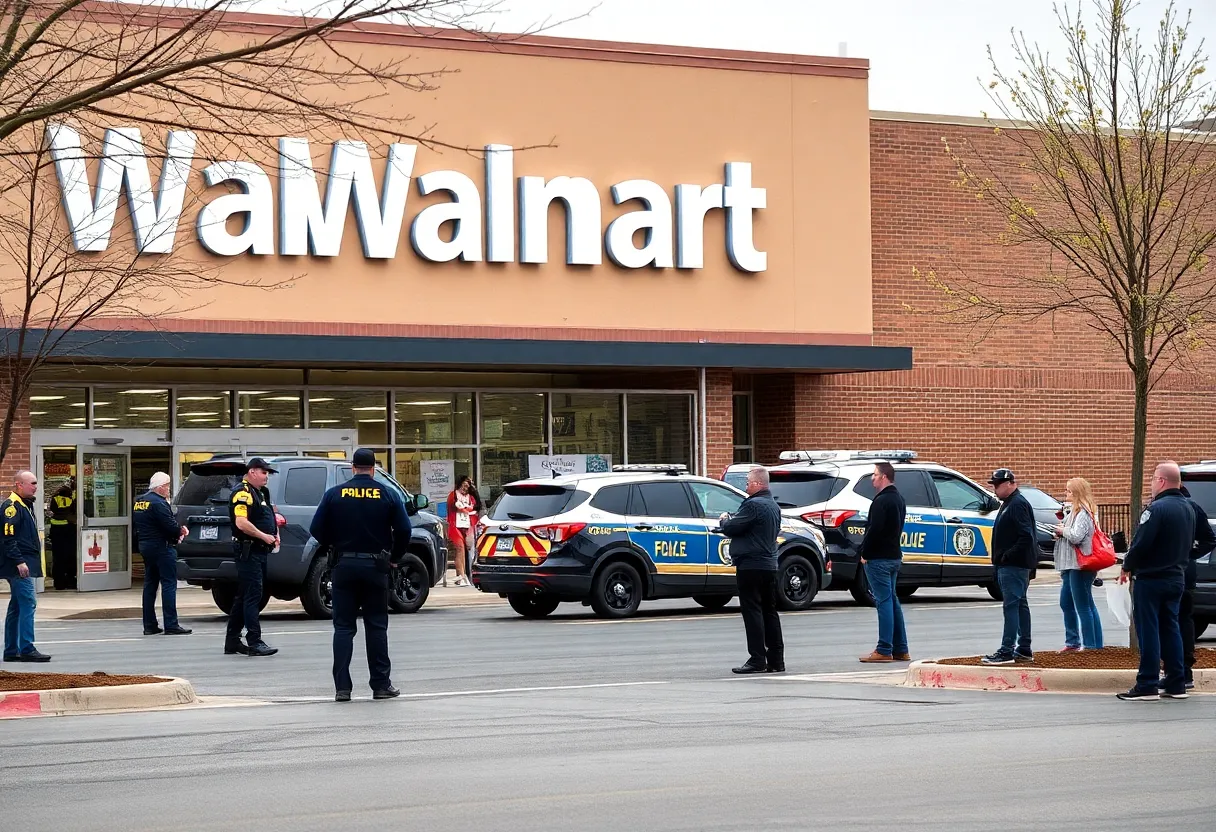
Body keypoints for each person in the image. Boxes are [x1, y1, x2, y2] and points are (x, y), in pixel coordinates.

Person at [310, 448, 412, 702]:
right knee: (376, 626)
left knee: (343, 628)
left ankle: (342, 688)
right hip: (376, 567)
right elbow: (404, 530)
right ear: (374, 469)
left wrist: (334, 545)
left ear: (353, 468)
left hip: (343, 566)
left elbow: (315, 528)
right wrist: (394, 557)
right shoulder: (387, 493)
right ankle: (380, 685)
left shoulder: (335, 494)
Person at [1116, 461, 1193, 700]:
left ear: (1161, 481)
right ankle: (1176, 681)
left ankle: (1147, 683)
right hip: (1176, 577)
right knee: (1171, 628)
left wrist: (1127, 565)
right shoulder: (1188, 508)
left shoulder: (1156, 509)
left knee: (1148, 629)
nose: (1150, 484)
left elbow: (1141, 543)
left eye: (1152, 479)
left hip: (1151, 579)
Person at [719, 465, 784, 674]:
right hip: (769, 565)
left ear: (757, 483)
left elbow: (731, 527)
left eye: (748, 482)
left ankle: (757, 658)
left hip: (751, 565)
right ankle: (776, 659)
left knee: (753, 611)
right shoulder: (773, 505)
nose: (746, 485)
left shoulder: (754, 505)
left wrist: (724, 519)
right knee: (769, 611)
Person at [224, 458, 280, 658]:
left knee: (244, 594)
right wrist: (264, 536)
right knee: (253, 595)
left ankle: (232, 641)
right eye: (264, 473)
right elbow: (241, 522)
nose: (267, 477)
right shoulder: (242, 492)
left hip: (260, 550)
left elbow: (268, 516)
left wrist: (275, 535)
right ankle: (254, 641)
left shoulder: (261, 492)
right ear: (253, 472)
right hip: (248, 550)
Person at [982, 468, 1037, 666]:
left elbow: (1026, 536)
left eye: (997, 485)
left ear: (1010, 483)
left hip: (1014, 566)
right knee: (1020, 605)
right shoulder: (1010, 503)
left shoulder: (1017, 504)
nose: (995, 489)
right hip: (1012, 565)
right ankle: (1024, 649)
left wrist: (1006, 556)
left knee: (1011, 606)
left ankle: (1007, 650)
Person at [857, 462, 911, 663]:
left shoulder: (881, 501)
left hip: (879, 558)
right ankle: (901, 648)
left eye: (875, 474)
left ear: (884, 477)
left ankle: (884, 649)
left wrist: (865, 553)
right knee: (892, 600)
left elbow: (874, 530)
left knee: (884, 602)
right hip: (894, 555)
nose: (872, 478)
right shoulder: (899, 499)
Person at [1, 471, 51, 662]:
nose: (35, 486)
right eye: (32, 483)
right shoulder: (12, 507)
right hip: (19, 566)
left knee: (16, 607)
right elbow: (8, 538)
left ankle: (12, 650)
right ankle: (27, 648)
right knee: (28, 603)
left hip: (23, 563)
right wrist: (19, 561)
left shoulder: (24, 505)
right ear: (19, 485)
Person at [134, 472, 191, 636]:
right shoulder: (159, 503)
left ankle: (149, 624)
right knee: (168, 584)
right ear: (159, 487)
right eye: (167, 486)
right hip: (162, 547)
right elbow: (170, 525)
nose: (168, 489)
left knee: (150, 585)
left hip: (146, 546)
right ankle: (171, 624)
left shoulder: (140, 501)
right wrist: (181, 530)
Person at [1051, 477, 1103, 651]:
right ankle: (1073, 642)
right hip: (1069, 564)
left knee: (1084, 606)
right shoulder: (1073, 511)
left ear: (1077, 493)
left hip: (1080, 565)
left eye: (1069, 491)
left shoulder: (1084, 513)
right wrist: (1060, 532)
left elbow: (1076, 536)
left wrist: (1062, 531)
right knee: (1067, 602)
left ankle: (1091, 646)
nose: (1066, 493)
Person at [1178, 486, 1216, 690]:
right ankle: (1185, 671)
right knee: (1184, 620)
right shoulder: (1194, 507)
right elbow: (1209, 539)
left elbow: (1210, 539)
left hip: (1175, 573)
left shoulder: (1166, 507)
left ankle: (1179, 671)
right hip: (1189, 573)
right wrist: (1191, 553)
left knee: (1174, 621)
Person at [446, 476, 478, 586]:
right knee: (460, 549)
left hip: (467, 526)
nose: (466, 488)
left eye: (468, 486)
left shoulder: (470, 497)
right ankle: (461, 576)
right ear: (459, 484)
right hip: (455, 526)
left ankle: (463, 576)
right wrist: (465, 508)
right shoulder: (453, 495)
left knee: (467, 550)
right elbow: (456, 506)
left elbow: (474, 507)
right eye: (464, 485)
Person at [48, 476, 77, 590]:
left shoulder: (55, 498)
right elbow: (74, 510)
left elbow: (52, 509)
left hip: (56, 528)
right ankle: (71, 580)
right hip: (68, 528)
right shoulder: (71, 499)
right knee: (70, 556)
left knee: (58, 557)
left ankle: (59, 583)